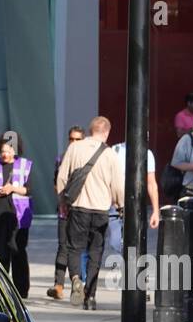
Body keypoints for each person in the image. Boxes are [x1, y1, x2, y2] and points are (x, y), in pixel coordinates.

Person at [55, 116, 124, 310]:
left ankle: (76, 278)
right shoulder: (110, 154)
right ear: (107, 132)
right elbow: (118, 185)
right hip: (101, 209)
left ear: (90, 129)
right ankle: (91, 296)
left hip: (78, 207)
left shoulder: (74, 148)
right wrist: (120, 206)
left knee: (74, 248)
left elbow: (62, 177)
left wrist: (62, 201)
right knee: (95, 252)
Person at [0, 131, 35, 297]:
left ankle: (21, 290)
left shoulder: (25, 165)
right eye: (3, 151)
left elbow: (28, 189)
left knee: (18, 250)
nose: (6, 154)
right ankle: (1, 288)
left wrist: (13, 188)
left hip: (17, 213)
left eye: (9, 151)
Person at [49, 125, 85, 301]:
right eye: (71, 139)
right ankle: (59, 285)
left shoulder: (87, 159)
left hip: (82, 209)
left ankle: (77, 283)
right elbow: (56, 182)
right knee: (63, 246)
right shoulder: (61, 158)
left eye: (78, 139)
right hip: (64, 210)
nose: (74, 143)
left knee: (76, 248)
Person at [108, 139, 161, 255]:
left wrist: (156, 211)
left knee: (136, 241)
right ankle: (126, 262)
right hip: (116, 205)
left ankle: (131, 268)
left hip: (137, 204)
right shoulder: (115, 150)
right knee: (115, 241)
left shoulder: (147, 153)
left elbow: (151, 183)